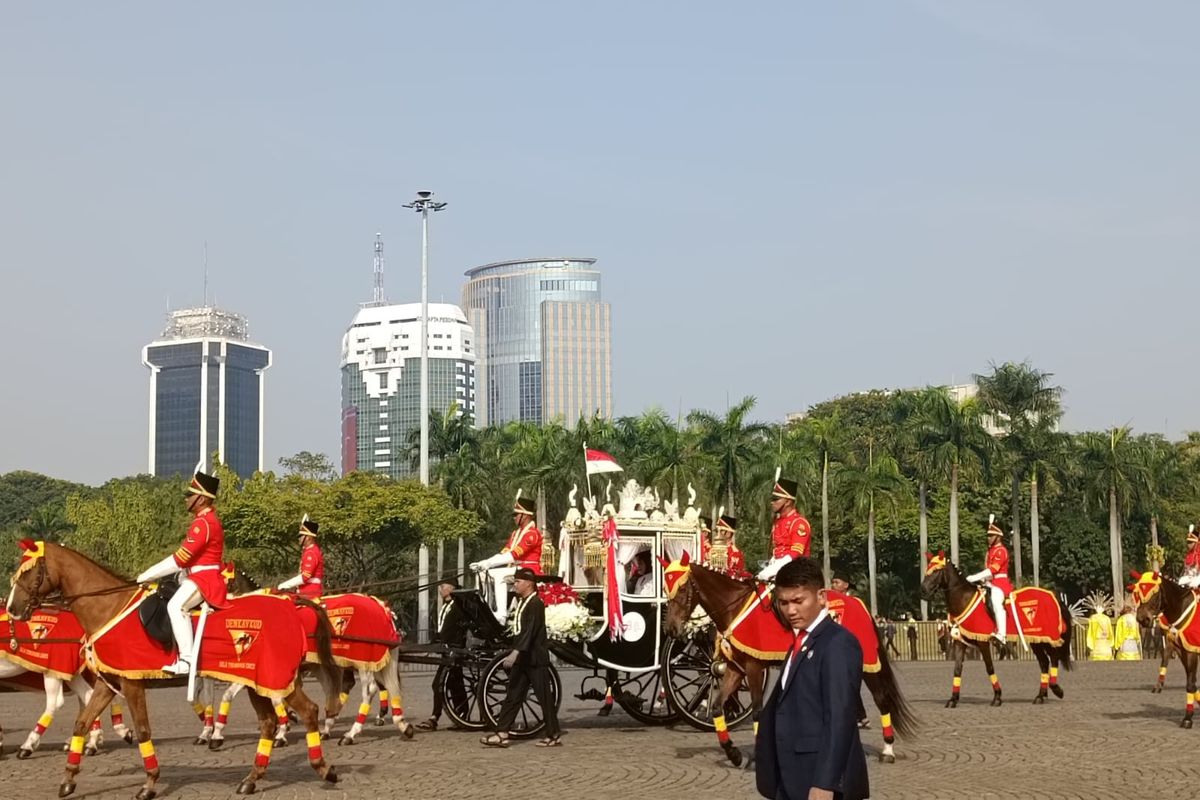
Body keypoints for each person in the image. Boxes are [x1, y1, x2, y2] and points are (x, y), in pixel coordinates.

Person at [755, 557, 869, 800]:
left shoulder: (838, 643)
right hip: (789, 778)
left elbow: (840, 717)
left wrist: (825, 782)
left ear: (821, 597)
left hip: (817, 782)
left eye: (798, 601)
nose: (791, 610)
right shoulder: (800, 641)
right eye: (783, 602)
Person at [135, 469, 227, 675]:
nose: (186, 499)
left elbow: (179, 559)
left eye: (190, 495)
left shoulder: (203, 524)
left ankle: (186, 660)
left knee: (176, 607)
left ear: (201, 499)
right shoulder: (205, 521)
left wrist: (145, 575)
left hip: (205, 579)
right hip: (196, 575)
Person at [480, 568, 561, 748]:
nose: (515, 585)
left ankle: (553, 734)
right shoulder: (523, 602)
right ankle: (502, 733)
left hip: (534, 658)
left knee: (544, 697)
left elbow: (529, 631)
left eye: (518, 582)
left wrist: (516, 652)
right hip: (524, 658)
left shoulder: (535, 604)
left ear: (529, 583)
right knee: (513, 695)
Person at [470, 495, 543, 624]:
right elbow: (504, 552)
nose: (514, 518)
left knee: (499, 576)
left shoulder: (532, 534)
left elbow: (514, 555)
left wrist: (488, 563)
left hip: (529, 570)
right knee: (483, 573)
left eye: (516, 515)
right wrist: (483, 564)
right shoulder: (515, 534)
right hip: (516, 569)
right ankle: (487, 610)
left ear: (525, 515)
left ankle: (501, 615)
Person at [417, 578, 469, 731]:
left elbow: (456, 630)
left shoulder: (457, 607)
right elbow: (442, 630)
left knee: (441, 684)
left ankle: (435, 717)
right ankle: (461, 716)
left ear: (452, 589)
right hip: (446, 650)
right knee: (454, 684)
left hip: (453, 650)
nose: (440, 589)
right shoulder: (446, 606)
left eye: (443, 586)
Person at [966, 514, 1012, 646]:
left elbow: (993, 570)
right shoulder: (990, 552)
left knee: (997, 601)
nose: (989, 538)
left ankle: (1002, 634)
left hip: (1000, 584)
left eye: (991, 535)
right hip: (990, 583)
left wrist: (974, 577)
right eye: (988, 535)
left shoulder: (1001, 551)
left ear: (998, 536)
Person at [758, 478, 812, 581]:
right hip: (778, 570)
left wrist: (773, 569)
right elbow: (777, 549)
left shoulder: (799, 523)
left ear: (787, 501)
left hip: (797, 571)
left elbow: (796, 553)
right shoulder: (778, 522)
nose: (772, 502)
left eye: (776, 499)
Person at [276, 515, 324, 598]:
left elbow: (305, 577)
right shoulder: (308, 551)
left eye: (301, 536)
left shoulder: (311, 553)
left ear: (308, 537)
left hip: (310, 593)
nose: (299, 539)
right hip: (304, 592)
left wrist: (284, 585)